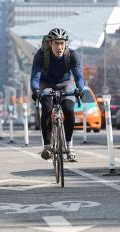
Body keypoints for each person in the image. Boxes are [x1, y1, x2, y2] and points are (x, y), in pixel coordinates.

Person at [30, 27, 85, 162]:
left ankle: (69, 146)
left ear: (66, 44)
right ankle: (47, 146)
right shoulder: (41, 55)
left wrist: (80, 88)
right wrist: (36, 90)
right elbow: (35, 77)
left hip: (65, 83)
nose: (59, 47)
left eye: (62, 43)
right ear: (50, 44)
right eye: (56, 43)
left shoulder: (72, 55)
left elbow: (78, 77)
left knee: (68, 109)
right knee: (47, 108)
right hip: (46, 83)